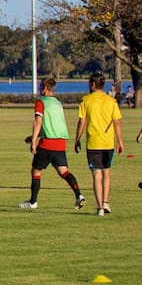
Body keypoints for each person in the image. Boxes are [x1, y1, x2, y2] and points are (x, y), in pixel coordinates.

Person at [20, 77, 86, 211]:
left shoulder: (41, 102)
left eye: (40, 86)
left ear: (45, 87)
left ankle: (33, 202)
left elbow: (39, 122)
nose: (39, 89)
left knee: (36, 170)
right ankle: (79, 195)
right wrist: (33, 136)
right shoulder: (57, 103)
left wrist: (34, 141)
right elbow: (52, 124)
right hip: (60, 143)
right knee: (64, 171)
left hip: (47, 143)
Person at [74, 73, 125, 216]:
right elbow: (116, 122)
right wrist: (120, 141)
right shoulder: (111, 101)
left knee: (97, 174)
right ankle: (106, 202)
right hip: (108, 143)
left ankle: (99, 208)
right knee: (107, 172)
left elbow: (82, 121)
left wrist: (77, 139)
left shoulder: (86, 101)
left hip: (93, 143)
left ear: (93, 84)